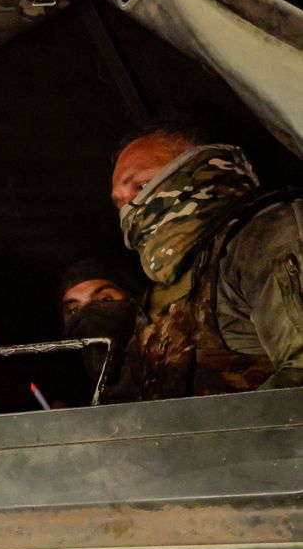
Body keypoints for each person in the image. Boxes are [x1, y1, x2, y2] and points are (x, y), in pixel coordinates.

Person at [111, 119, 303, 397]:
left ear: (204, 166)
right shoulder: (162, 295)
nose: (129, 209)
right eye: (119, 202)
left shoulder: (268, 234)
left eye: (140, 186)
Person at [56, 256, 143, 403]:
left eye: (105, 300)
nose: (89, 313)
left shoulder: (170, 360)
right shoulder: (71, 392)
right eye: (73, 310)